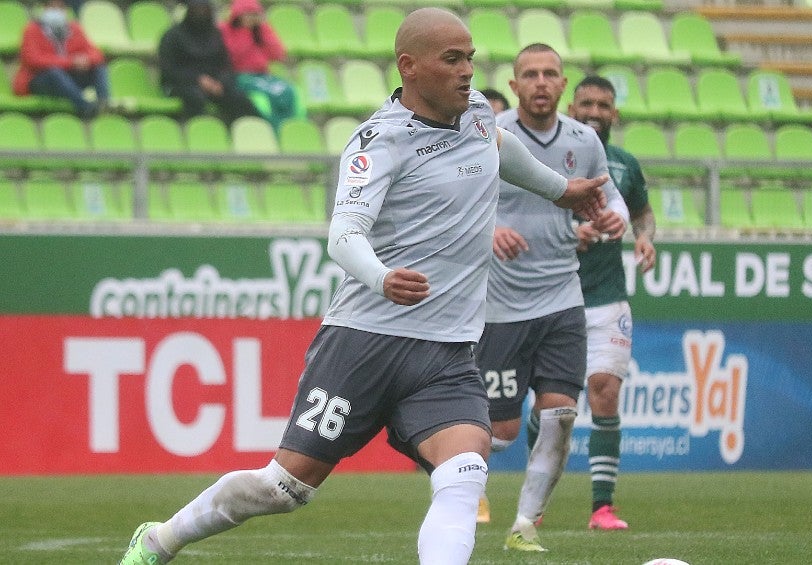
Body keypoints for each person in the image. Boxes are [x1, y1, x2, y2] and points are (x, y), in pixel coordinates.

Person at [119, 8, 607, 565]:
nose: (468, 71)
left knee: (466, 470)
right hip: (364, 341)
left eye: (470, 58)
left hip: (447, 350)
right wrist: (381, 276)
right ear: (410, 67)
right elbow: (344, 235)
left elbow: (497, 145)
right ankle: (159, 539)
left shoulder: (475, 112)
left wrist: (558, 189)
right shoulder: (380, 141)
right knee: (284, 487)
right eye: (452, 59)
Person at [475, 43, 629, 552]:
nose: (540, 82)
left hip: (562, 297)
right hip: (501, 305)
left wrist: (612, 218)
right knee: (499, 433)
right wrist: (490, 230)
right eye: (530, 74)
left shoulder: (584, 141)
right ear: (514, 85)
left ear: (563, 84)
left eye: (549, 74)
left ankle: (524, 524)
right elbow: (457, 201)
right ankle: (446, 470)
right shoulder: (490, 136)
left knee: (560, 416)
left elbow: (610, 197)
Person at [567, 75, 657, 531]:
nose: (594, 113)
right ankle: (533, 504)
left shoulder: (623, 165)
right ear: (571, 108)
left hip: (607, 296)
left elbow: (642, 212)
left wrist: (645, 238)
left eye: (603, 105)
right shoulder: (549, 157)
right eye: (586, 103)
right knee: (552, 406)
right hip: (552, 295)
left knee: (604, 390)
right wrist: (568, 233)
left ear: (615, 114)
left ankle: (602, 507)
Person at [158, 0, 260, 125]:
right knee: (195, 98)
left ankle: (236, 131)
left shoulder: (215, 34)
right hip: (182, 83)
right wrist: (198, 79)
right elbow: (169, 70)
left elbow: (225, 64)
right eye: (197, 10)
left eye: (204, 10)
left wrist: (219, 81)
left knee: (239, 98)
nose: (201, 13)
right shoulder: (173, 36)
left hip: (214, 83)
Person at [13, 0, 109, 118]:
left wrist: (85, 60)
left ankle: (104, 104)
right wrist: (70, 62)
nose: (56, 10)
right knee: (54, 72)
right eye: (52, 7)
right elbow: (33, 59)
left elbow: (96, 54)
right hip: (39, 81)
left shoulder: (74, 28)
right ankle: (85, 107)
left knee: (98, 67)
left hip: (68, 79)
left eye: (60, 7)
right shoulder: (32, 30)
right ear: (44, 8)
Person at [219, 0, 303, 132]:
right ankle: (277, 128)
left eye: (255, 14)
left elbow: (278, 54)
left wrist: (263, 31)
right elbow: (234, 55)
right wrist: (246, 32)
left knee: (287, 91)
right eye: (248, 14)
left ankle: (293, 127)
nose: (252, 18)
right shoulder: (226, 30)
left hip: (263, 75)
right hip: (241, 76)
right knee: (270, 96)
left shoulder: (261, 30)